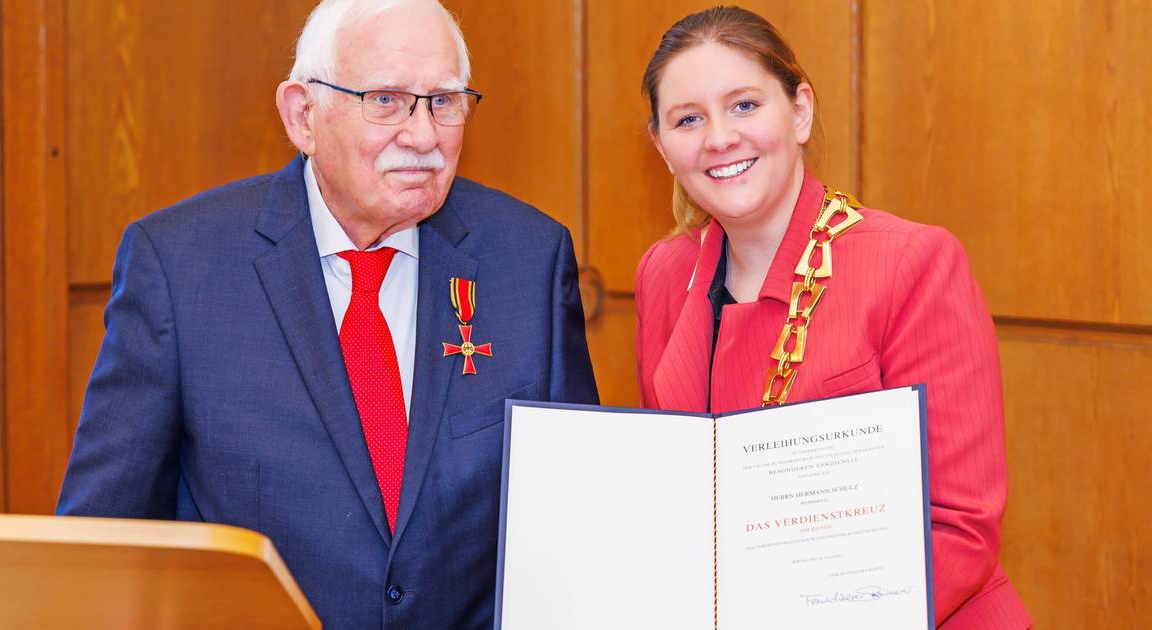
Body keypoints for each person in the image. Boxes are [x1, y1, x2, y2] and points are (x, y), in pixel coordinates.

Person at [57, 0, 598, 627]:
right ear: (303, 115)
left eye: (444, 101)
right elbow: (102, 548)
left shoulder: (527, 259)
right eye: (386, 100)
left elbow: (574, 536)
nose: (423, 136)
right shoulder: (181, 268)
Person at [634, 7, 1030, 628]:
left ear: (799, 111)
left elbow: (958, 526)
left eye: (743, 105)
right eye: (688, 119)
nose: (718, 138)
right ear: (661, 144)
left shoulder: (911, 264)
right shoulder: (663, 275)